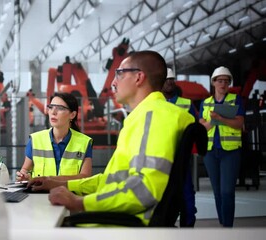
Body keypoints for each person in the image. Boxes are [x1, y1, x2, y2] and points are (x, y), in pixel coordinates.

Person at [27, 50, 194, 226]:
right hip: (116, 221)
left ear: (138, 78)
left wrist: (79, 203)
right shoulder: (141, 118)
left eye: (119, 74)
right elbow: (112, 179)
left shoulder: (153, 117)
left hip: (118, 228)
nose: (113, 82)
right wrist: (56, 183)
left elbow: (143, 191)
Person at [198, 66, 244, 227]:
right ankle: (224, 225)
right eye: (220, 81)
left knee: (227, 192)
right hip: (210, 152)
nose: (223, 84)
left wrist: (220, 118)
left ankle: (228, 226)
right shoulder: (206, 103)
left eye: (226, 81)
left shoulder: (235, 99)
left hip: (230, 152)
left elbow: (239, 123)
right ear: (214, 83)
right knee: (217, 193)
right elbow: (202, 128)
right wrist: (213, 120)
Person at [16, 92, 93, 181]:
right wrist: (24, 176)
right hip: (39, 194)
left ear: (72, 115)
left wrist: (52, 181)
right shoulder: (36, 140)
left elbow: (85, 177)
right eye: (51, 107)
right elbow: (25, 170)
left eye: (60, 108)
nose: (53, 112)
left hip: (69, 194)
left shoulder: (84, 142)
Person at [162, 68, 197, 227]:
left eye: (172, 79)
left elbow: (196, 128)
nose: (169, 82)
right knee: (164, 204)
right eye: (166, 79)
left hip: (182, 161)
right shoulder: (154, 104)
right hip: (161, 161)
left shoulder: (186, 104)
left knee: (188, 204)